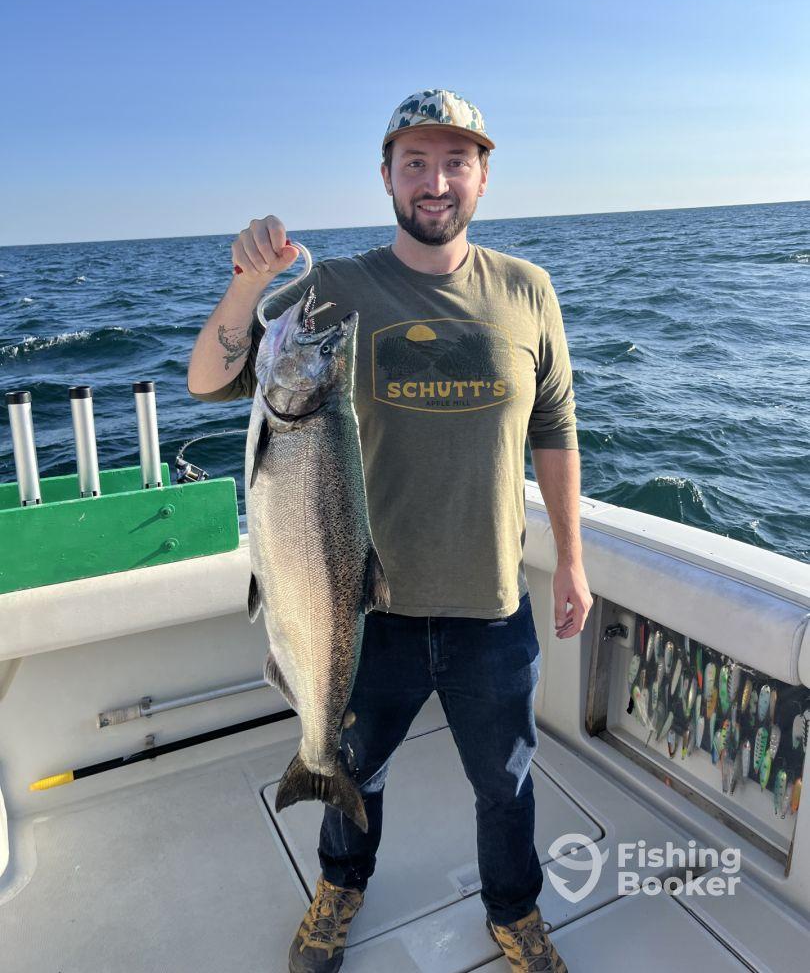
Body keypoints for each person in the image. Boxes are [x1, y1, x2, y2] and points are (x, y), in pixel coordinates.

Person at [187, 88, 593, 973]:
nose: (435, 181)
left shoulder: (528, 290)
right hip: (363, 603)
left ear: (483, 176)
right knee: (349, 765)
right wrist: (249, 277)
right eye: (416, 162)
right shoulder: (333, 290)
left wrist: (571, 560)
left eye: (455, 161)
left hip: (491, 601)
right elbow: (210, 379)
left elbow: (555, 429)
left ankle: (514, 911)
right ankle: (340, 885)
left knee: (507, 783)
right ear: (386, 176)